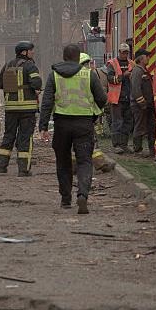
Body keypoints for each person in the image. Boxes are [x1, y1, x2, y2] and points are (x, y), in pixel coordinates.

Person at [38, 43, 108, 213]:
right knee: (84, 161)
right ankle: (82, 195)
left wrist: (43, 126)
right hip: (84, 124)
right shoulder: (88, 74)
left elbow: (47, 102)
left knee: (63, 162)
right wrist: (94, 113)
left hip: (62, 124)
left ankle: (65, 199)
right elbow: (102, 98)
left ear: (64, 57)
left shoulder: (54, 75)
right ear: (78, 58)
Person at [0, 41, 42, 176]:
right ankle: (23, 169)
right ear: (24, 52)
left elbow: (0, 85)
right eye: (31, 50)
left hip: (10, 109)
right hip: (27, 109)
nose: (33, 52)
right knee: (25, 138)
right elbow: (37, 83)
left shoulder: (7, 65)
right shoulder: (30, 66)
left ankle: (2, 166)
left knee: (9, 135)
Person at [105, 43, 133, 153]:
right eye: (123, 52)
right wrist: (122, 76)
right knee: (117, 122)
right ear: (119, 52)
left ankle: (124, 144)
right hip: (117, 98)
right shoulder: (112, 64)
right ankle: (116, 145)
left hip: (129, 98)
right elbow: (110, 79)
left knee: (127, 122)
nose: (125, 55)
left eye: (127, 53)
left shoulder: (132, 63)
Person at [129, 53, 156, 155]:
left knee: (151, 127)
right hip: (139, 105)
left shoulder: (144, 71)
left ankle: (152, 149)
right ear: (140, 59)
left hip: (148, 105)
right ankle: (138, 149)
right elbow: (136, 89)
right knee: (139, 126)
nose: (149, 58)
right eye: (146, 56)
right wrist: (142, 103)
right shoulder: (137, 71)